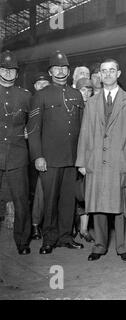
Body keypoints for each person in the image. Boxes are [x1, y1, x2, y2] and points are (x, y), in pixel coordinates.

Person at [76, 58, 126, 262]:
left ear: (119, 74)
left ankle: (123, 247)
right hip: (96, 160)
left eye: (112, 70)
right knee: (98, 205)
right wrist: (82, 162)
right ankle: (99, 245)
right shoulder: (92, 102)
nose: (107, 74)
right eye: (104, 71)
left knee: (122, 207)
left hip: (121, 161)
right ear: (99, 75)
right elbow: (85, 133)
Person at [27, 50, 84, 254]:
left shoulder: (76, 94)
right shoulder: (40, 96)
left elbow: (82, 128)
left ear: (68, 71)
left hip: (71, 158)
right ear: (50, 72)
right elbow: (33, 130)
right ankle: (49, 239)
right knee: (50, 201)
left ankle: (65, 236)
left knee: (68, 200)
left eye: (64, 68)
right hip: (49, 159)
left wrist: (82, 157)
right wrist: (37, 156)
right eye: (56, 68)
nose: (60, 72)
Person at [0, 50, 32, 255]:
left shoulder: (26, 96)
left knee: (21, 200)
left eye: (12, 70)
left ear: (17, 73)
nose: (8, 73)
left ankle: (22, 241)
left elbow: (35, 124)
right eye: (4, 69)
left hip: (18, 155)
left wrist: (28, 132)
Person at [30, 72, 51, 240]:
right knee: (39, 191)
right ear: (34, 86)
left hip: (49, 152)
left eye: (46, 84)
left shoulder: (50, 100)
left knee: (44, 191)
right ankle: (35, 224)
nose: (43, 86)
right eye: (39, 84)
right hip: (33, 154)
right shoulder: (30, 100)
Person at [74, 77, 94, 243]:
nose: (86, 93)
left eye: (89, 90)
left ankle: (84, 228)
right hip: (72, 154)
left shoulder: (93, 107)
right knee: (71, 193)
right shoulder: (73, 107)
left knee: (85, 193)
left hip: (87, 156)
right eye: (83, 90)